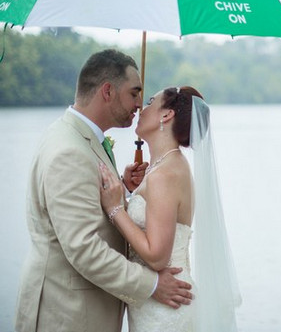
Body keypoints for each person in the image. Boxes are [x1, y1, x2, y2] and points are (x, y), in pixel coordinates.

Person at [14, 50, 193, 332]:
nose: (138, 105)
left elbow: (87, 206)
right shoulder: (68, 151)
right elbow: (84, 248)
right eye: (135, 94)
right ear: (108, 91)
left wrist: (121, 190)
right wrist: (153, 284)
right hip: (67, 315)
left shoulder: (77, 137)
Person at [99, 86, 241, 332]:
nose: (141, 108)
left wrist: (115, 209)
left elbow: (156, 256)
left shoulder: (165, 174)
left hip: (166, 307)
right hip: (155, 302)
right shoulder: (164, 167)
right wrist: (128, 190)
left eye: (151, 101)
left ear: (166, 115)